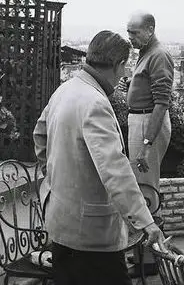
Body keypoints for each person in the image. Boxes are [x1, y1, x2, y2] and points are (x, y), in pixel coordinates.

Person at [33, 31, 168, 285]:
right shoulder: (95, 102)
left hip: (60, 223)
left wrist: (54, 175)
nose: (123, 74)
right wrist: (146, 222)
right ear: (118, 65)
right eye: (124, 67)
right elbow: (115, 171)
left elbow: (40, 135)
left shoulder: (64, 90)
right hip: (91, 237)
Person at [125, 11, 174, 274]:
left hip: (147, 124)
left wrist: (146, 143)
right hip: (141, 121)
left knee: (145, 190)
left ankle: (149, 260)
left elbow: (161, 103)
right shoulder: (147, 53)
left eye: (134, 32)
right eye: (128, 31)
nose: (130, 37)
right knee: (140, 187)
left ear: (150, 29)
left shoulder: (158, 55)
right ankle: (143, 254)